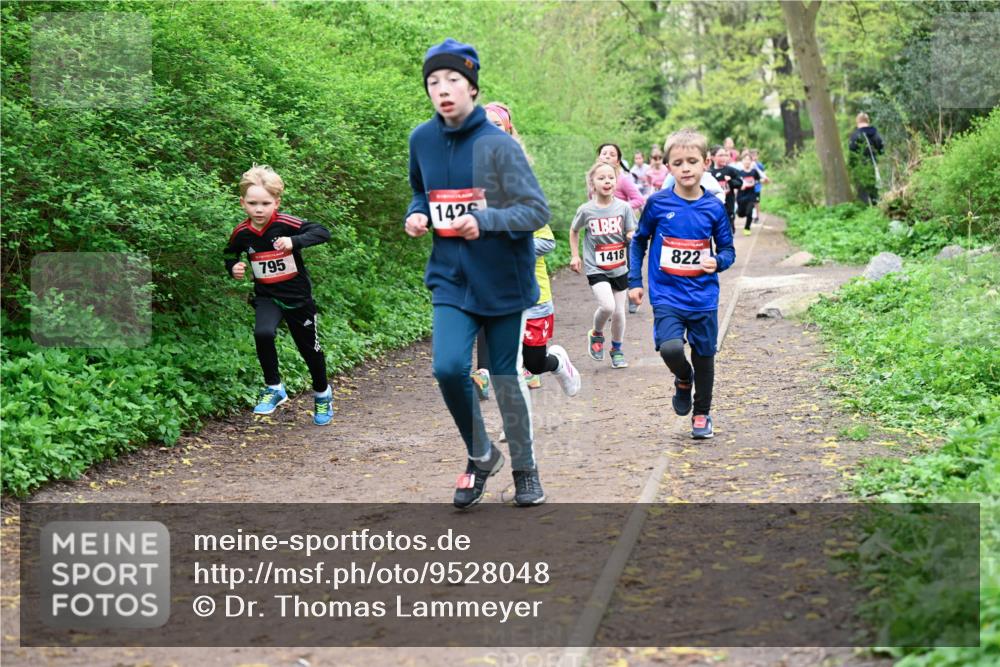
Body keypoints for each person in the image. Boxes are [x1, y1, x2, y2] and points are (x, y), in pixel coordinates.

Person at [404, 38, 551, 508]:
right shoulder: (421, 140)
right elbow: (420, 192)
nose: (443, 89)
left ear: (472, 87)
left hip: (503, 278)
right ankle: (481, 454)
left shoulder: (499, 145)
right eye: (434, 82)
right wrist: (417, 214)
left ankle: (525, 468)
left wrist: (484, 220)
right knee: (448, 367)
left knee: (504, 375)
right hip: (450, 276)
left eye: (453, 80)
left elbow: (535, 211)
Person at [628, 129, 735, 439]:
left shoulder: (713, 208)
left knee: (704, 355)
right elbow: (639, 241)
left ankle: (701, 414)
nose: (685, 168)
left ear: (705, 164)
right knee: (671, 348)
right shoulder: (657, 204)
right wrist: (635, 280)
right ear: (668, 167)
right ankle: (683, 378)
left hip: (703, 296)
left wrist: (718, 261)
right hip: (667, 294)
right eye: (678, 163)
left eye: (692, 161)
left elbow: (728, 250)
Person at [483, 101, 581, 397]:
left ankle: (558, 362)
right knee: (507, 363)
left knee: (535, 362)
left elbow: (547, 240)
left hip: (534, 293)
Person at [224, 165, 334, 425]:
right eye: (252, 203)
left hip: (298, 299)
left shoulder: (285, 224)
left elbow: (322, 232)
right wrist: (233, 267)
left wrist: (294, 242)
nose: (259, 209)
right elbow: (230, 252)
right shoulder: (242, 232)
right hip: (267, 296)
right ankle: (274, 388)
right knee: (263, 333)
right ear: (242, 203)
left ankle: (322, 394)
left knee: (310, 350)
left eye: (265, 203)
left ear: (276, 203)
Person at [570, 161, 638, 370]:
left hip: (619, 266)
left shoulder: (624, 207)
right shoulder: (586, 210)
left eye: (610, 177)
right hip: (596, 267)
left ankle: (616, 349)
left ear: (616, 181)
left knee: (618, 313)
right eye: (601, 178)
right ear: (593, 183)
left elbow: (631, 230)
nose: (607, 181)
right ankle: (597, 333)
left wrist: (630, 235)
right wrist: (575, 256)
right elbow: (574, 230)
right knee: (608, 306)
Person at [592, 143, 645, 216]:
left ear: (618, 162)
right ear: (598, 159)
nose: (607, 156)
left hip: (619, 220)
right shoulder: (593, 179)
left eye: (612, 155)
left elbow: (639, 200)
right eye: (604, 154)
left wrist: (620, 207)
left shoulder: (622, 179)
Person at [848, 112, 885, 206]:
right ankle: (877, 209)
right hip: (872, 165)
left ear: (857, 122)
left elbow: (852, 154)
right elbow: (881, 149)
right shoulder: (875, 133)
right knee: (874, 192)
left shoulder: (854, 136)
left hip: (860, 167)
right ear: (868, 121)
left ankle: (864, 210)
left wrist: (851, 167)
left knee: (862, 194)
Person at [708, 146, 743, 234]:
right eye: (720, 155)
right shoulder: (709, 173)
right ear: (712, 157)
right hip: (713, 208)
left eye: (725, 155)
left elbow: (740, 183)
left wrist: (730, 181)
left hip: (728, 207)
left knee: (728, 232)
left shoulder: (731, 171)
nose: (724, 157)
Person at [734, 151, 765, 236]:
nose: (747, 161)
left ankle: (747, 228)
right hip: (741, 196)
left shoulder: (754, 172)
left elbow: (759, 180)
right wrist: (739, 187)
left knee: (749, 212)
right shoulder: (739, 173)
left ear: (751, 161)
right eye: (745, 159)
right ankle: (739, 211)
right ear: (742, 161)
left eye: (749, 160)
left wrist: (762, 180)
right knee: (741, 214)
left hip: (751, 195)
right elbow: (736, 184)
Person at [749, 149, 767, 223]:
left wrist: (761, 181)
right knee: (750, 202)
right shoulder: (748, 164)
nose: (754, 157)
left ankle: (757, 216)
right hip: (749, 187)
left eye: (756, 155)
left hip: (757, 187)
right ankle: (750, 216)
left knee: (756, 202)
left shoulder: (760, 165)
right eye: (753, 155)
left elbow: (764, 176)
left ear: (758, 156)